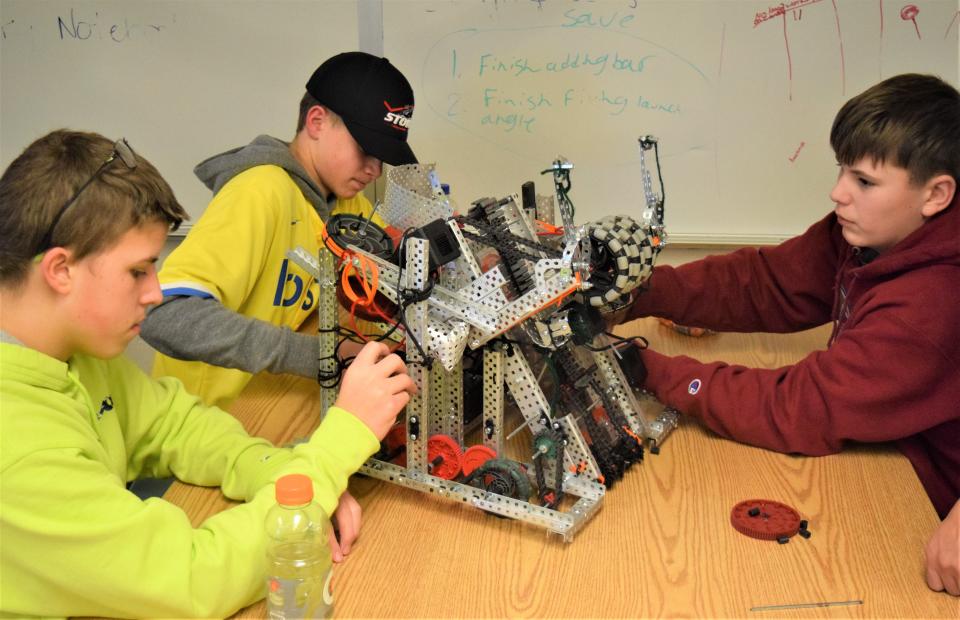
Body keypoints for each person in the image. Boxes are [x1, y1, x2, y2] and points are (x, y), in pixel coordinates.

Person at [0, 130, 417, 618]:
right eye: (138, 271)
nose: (156, 293)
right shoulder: (20, 452)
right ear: (60, 270)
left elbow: (174, 424)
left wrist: (294, 483)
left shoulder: (69, 355)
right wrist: (335, 448)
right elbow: (194, 580)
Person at [607, 73, 959, 595]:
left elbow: (803, 406)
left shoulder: (930, 303)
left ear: (936, 194)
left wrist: (642, 368)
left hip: (926, 495)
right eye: (842, 170)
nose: (838, 193)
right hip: (888, 444)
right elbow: (765, 283)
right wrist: (636, 292)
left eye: (864, 181)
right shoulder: (876, 233)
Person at [140, 50, 417, 411]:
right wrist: (322, 356)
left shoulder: (348, 206)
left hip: (272, 413)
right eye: (366, 150)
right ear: (316, 122)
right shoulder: (259, 191)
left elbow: (394, 276)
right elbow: (163, 314)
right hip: (210, 421)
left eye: (382, 157)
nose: (374, 170)